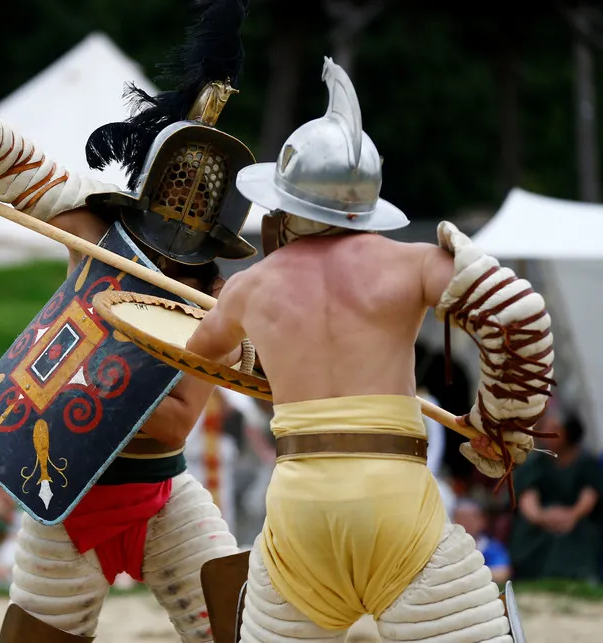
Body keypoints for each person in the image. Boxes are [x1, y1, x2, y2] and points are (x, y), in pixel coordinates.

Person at [0, 2, 252, 639]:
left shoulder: (217, 299)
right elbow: (15, 165)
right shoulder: (95, 232)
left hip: (165, 494)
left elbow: (173, 418)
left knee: (236, 626)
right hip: (64, 491)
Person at [184, 57, 555, 641]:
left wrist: (253, 343)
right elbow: (521, 317)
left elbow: (203, 356)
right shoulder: (411, 264)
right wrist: (500, 424)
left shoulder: (251, 286)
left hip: (299, 510)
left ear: (288, 203)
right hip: (395, 503)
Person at [510, 412, 603, 582]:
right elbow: (527, 496)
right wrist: (542, 517)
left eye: (554, 429)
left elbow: (589, 496)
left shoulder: (587, 463)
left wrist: (571, 516)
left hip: (576, 522)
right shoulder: (535, 463)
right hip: (539, 522)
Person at [185, 387, 270, 534]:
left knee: (221, 521)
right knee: (189, 522)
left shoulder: (225, 384)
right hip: (189, 463)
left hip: (220, 467)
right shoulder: (181, 378)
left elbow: (247, 418)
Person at [454, 499, 511, 584]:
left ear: (482, 521)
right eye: (461, 519)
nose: (466, 523)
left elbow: (503, 573)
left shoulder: (491, 547)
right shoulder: (448, 548)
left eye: (470, 519)